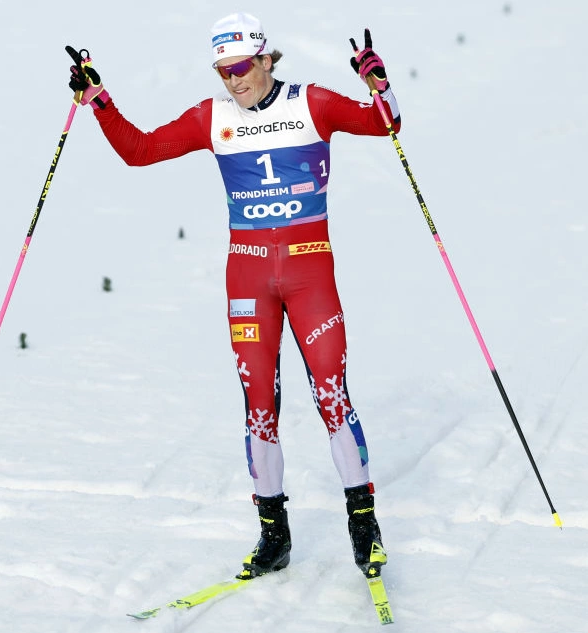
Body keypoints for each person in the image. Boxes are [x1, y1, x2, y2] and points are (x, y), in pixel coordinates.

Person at [67, 12, 401, 580]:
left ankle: (363, 527)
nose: (234, 80)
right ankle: (274, 536)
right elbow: (140, 151)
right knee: (259, 408)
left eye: (242, 67)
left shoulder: (312, 102)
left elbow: (385, 125)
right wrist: (99, 100)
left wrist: (379, 84)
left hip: (309, 272)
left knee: (331, 396)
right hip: (247, 278)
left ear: (267, 59)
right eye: (223, 70)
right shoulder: (211, 116)